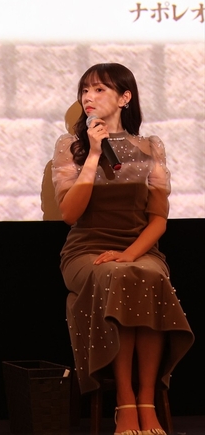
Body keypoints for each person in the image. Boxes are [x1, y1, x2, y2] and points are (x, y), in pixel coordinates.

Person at [52, 63, 193, 435]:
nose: (89, 97)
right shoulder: (71, 146)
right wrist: (94, 154)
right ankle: (125, 400)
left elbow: (158, 219)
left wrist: (130, 253)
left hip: (138, 249)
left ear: (124, 97)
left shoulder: (150, 148)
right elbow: (69, 214)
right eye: (85, 90)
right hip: (86, 250)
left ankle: (147, 398)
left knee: (144, 273)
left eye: (99, 89)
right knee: (118, 275)